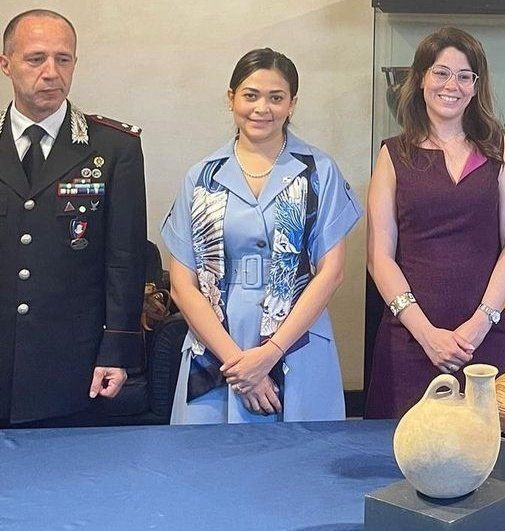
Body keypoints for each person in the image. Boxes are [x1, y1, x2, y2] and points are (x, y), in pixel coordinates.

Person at [162, 48, 361, 423]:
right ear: (231, 98)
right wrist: (240, 366)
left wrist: (270, 353)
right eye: (250, 95)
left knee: (299, 455)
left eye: (276, 97)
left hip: (296, 341)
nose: (261, 108)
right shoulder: (201, 177)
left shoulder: (319, 171)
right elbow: (181, 285)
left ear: (292, 103)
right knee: (210, 456)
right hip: (216, 349)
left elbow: (331, 272)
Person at [365, 27, 505, 419]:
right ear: (421, 78)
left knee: (488, 446)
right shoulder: (393, 154)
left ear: (475, 86)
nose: (451, 85)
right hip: (411, 338)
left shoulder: (498, 150)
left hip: (485, 336)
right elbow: (379, 257)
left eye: (464, 76)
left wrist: (481, 322)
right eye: (441, 73)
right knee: (406, 447)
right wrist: (426, 334)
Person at [0, 10, 146, 428]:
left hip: (71, 365)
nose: (51, 72)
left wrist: (117, 350)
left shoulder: (113, 147)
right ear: (6, 64)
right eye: (36, 59)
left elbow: (125, 259)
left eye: (63, 59)